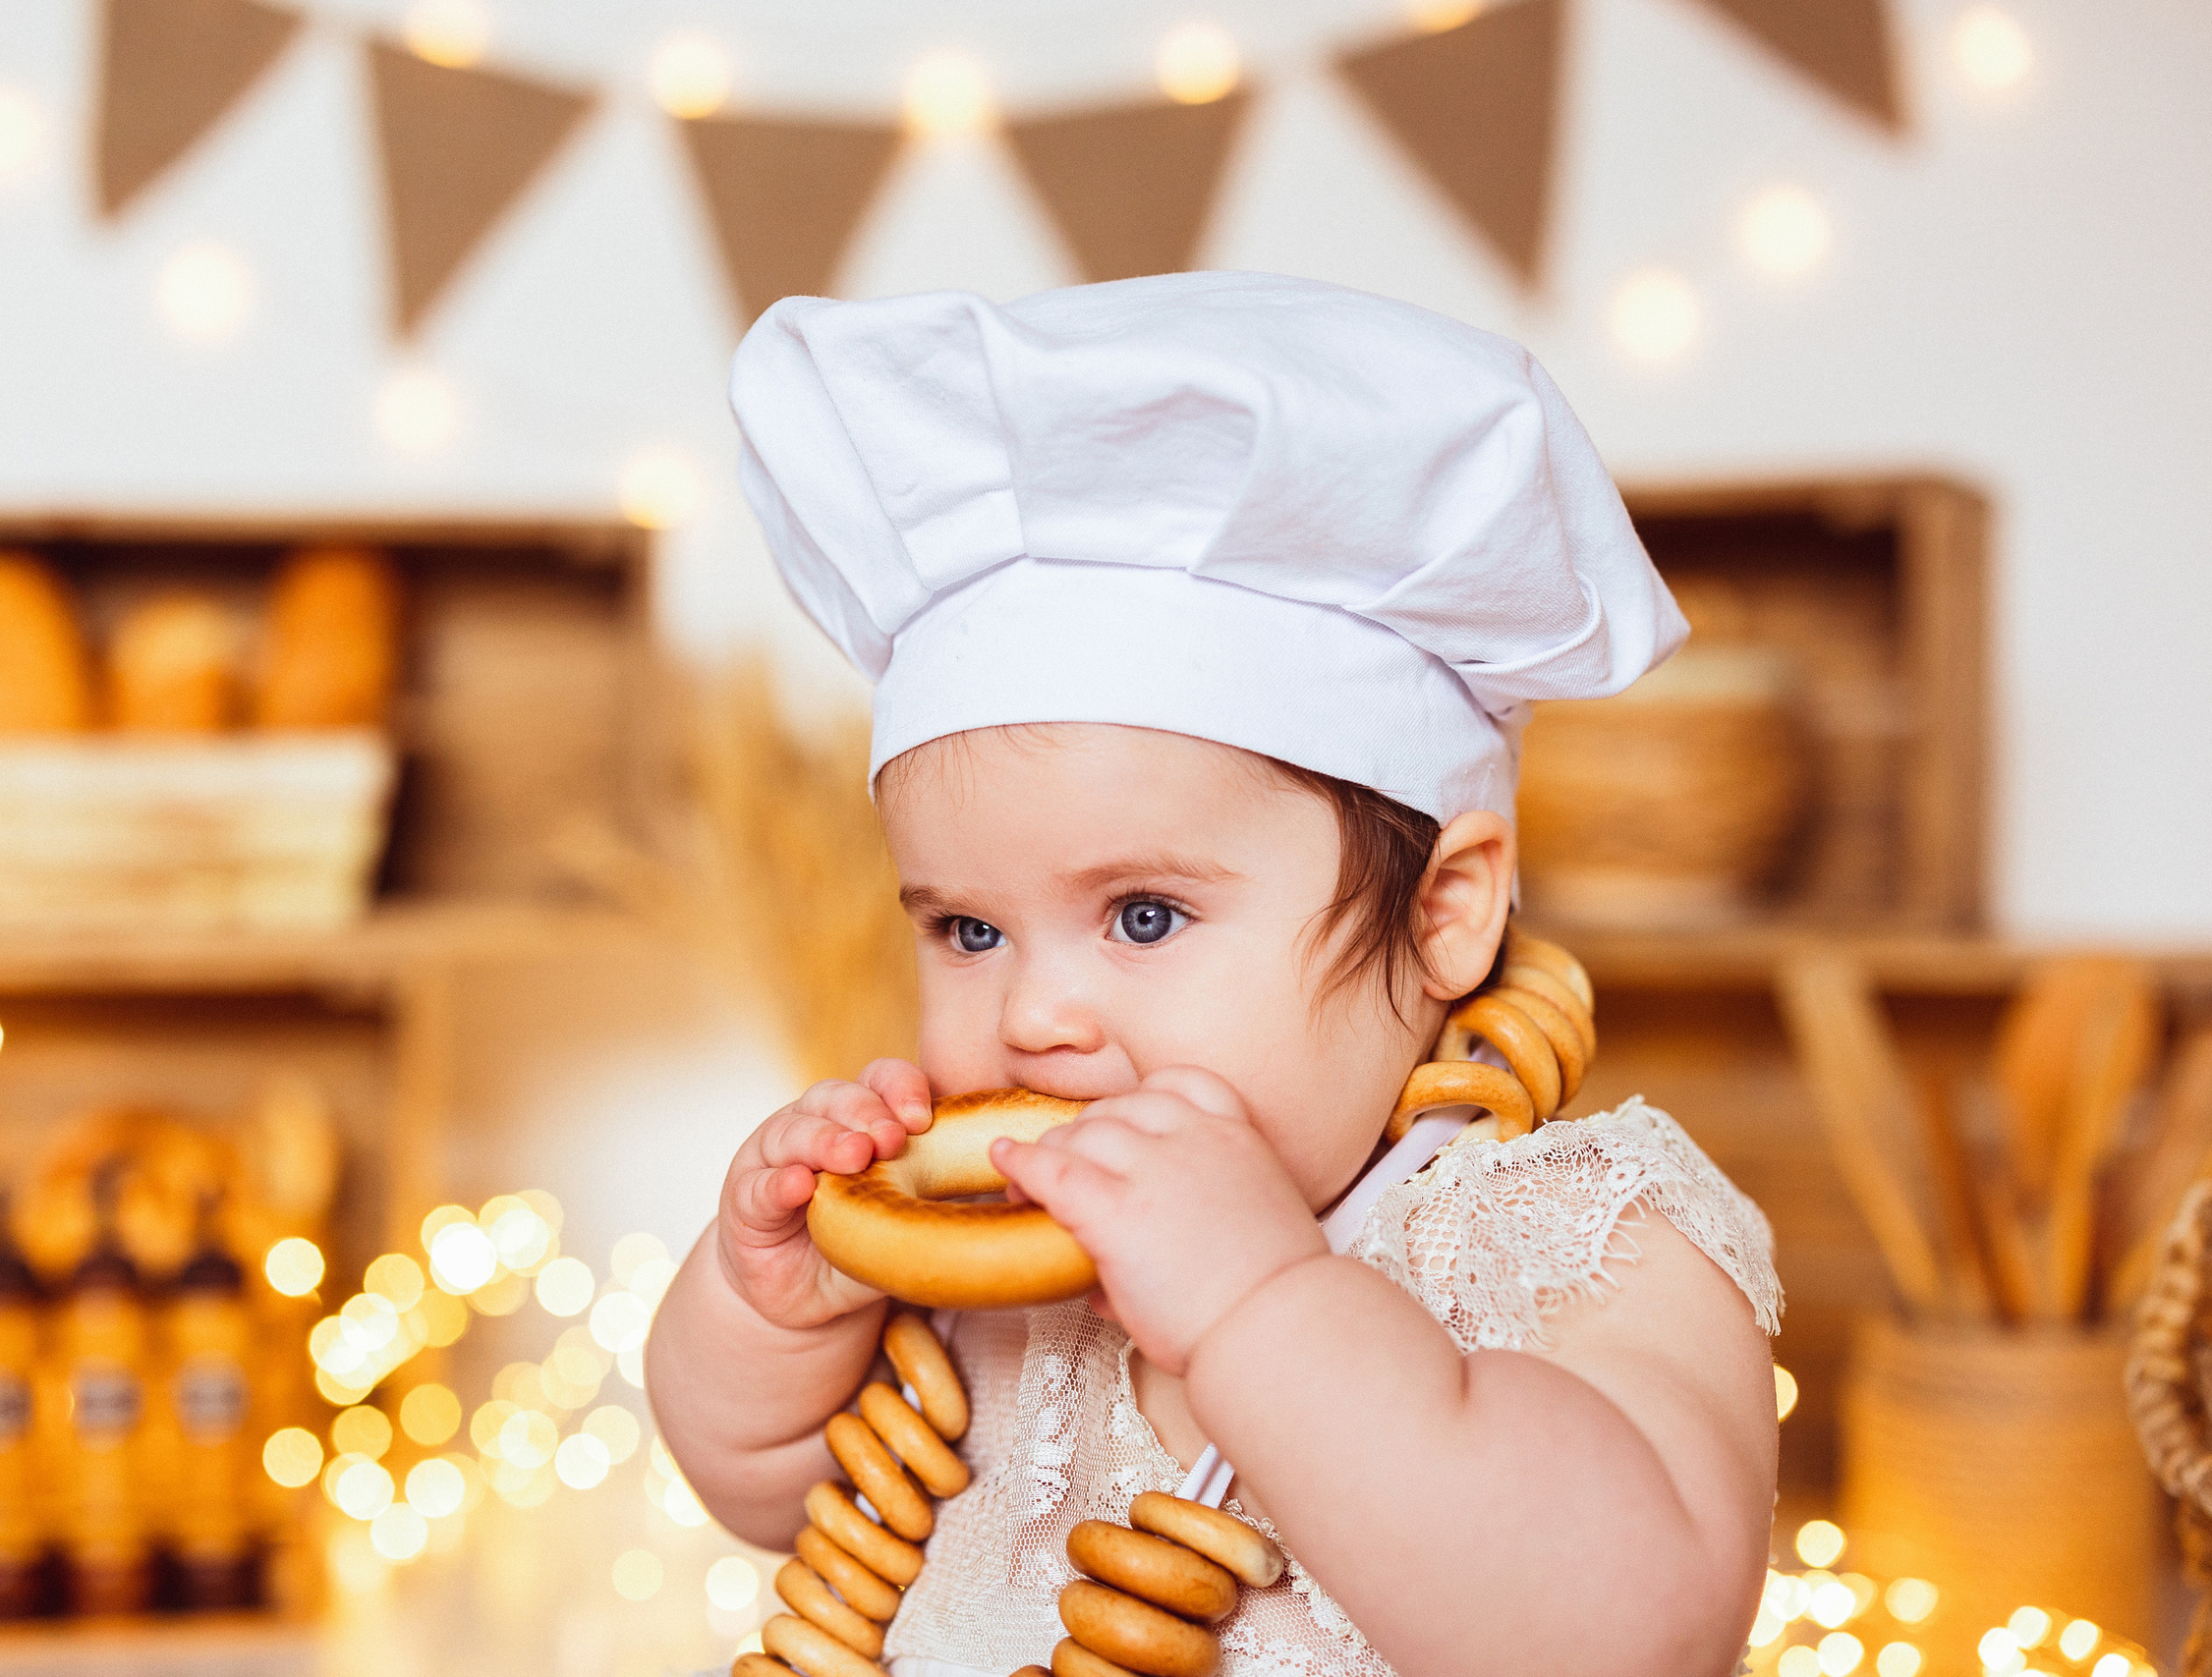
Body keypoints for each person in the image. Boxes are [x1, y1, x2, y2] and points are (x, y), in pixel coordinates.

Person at [647, 273, 1783, 1677]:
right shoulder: (997, 1283)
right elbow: (768, 1493)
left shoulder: (1572, 1239)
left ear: (1444, 911)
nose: (1031, 1018)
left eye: (1141, 918)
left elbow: (1632, 1635)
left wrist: (1261, 1303)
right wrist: (772, 1315)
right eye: (968, 931)